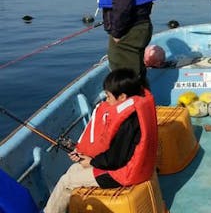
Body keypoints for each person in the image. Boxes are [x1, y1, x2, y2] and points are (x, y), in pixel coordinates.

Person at [44, 68, 158, 213]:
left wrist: (91, 162)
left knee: (66, 182)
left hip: (124, 174)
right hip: (138, 167)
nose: (106, 100)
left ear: (122, 97)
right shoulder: (138, 109)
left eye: (109, 96)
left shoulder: (128, 122)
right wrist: (88, 158)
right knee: (73, 169)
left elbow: (115, 160)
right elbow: (119, 153)